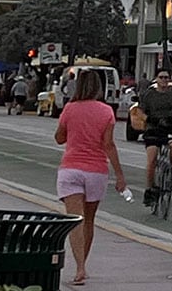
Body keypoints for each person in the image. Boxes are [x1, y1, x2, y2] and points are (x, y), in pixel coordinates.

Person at [55, 68, 126, 288]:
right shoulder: (106, 111)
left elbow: (59, 138)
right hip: (96, 171)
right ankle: (82, 264)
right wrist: (120, 176)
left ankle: (79, 269)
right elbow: (108, 145)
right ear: (99, 87)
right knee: (89, 220)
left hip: (71, 169)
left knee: (74, 220)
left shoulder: (69, 108)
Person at [137, 74, 172, 204]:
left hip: (168, 129)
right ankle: (149, 189)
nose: (164, 80)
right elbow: (139, 112)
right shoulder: (149, 95)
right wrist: (148, 119)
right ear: (156, 79)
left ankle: (171, 169)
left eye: (166, 77)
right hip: (152, 129)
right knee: (152, 159)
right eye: (161, 77)